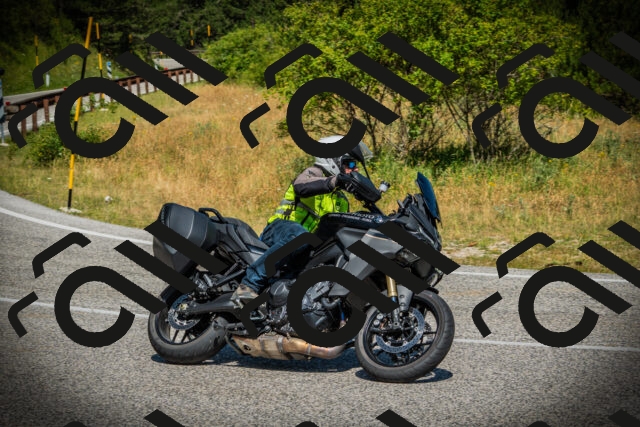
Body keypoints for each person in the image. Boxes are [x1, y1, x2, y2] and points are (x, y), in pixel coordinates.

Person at [231, 135, 373, 306]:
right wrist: (335, 181)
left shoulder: (341, 200)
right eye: (349, 164)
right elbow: (301, 186)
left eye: (355, 166)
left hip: (305, 248)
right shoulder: (314, 173)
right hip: (280, 230)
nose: (354, 169)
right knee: (301, 235)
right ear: (333, 160)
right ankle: (249, 285)